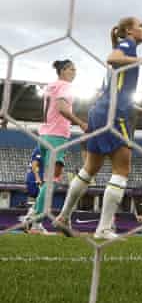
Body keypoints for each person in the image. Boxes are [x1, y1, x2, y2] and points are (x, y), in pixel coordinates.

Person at [54, 17, 142, 240]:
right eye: (141, 26)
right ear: (129, 31)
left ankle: (63, 217)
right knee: (122, 170)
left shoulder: (126, 49)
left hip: (100, 111)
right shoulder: (127, 46)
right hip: (114, 114)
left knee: (90, 169)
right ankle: (103, 229)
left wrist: (134, 106)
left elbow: (114, 85)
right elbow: (112, 58)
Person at [32, 60, 88, 225]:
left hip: (44, 136)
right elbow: (62, 109)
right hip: (56, 137)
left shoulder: (51, 86)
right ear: (62, 71)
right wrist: (80, 123)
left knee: (49, 180)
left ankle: (34, 217)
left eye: (75, 69)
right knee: (52, 180)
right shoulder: (65, 86)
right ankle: (35, 218)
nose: (74, 72)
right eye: (71, 69)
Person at [22, 146, 45, 233]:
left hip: (40, 179)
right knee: (41, 201)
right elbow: (34, 165)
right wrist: (38, 178)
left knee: (40, 202)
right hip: (34, 179)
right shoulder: (39, 149)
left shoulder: (47, 151)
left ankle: (30, 221)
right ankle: (35, 224)